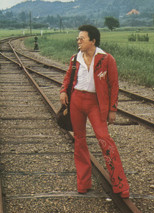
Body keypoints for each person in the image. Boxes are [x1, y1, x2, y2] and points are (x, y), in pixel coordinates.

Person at [60, 24, 130, 198]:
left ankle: (120, 185)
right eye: (78, 38)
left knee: (104, 139)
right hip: (76, 101)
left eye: (82, 38)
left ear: (93, 41)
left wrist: (112, 109)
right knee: (79, 140)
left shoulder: (106, 59)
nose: (78, 41)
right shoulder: (75, 58)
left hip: (95, 104)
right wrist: (63, 91)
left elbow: (114, 86)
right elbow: (68, 77)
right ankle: (83, 183)